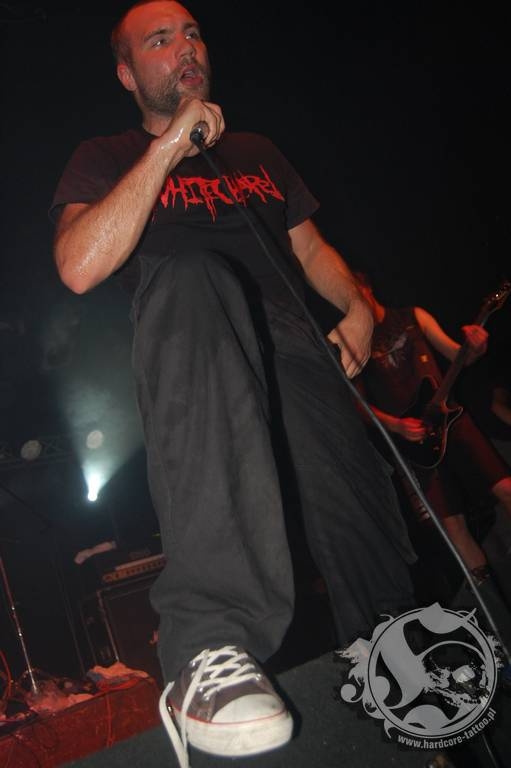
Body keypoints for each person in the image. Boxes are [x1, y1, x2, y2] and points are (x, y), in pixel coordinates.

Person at [49, 2, 417, 764]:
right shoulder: (105, 155)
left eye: (191, 33)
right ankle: (207, 646)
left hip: (294, 344)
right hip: (197, 339)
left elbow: (310, 250)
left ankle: (396, 665)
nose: (185, 47)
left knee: (355, 511)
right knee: (191, 274)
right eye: (159, 40)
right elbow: (80, 264)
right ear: (126, 74)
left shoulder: (255, 151)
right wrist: (168, 149)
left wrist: (357, 308)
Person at [352, 272, 511, 590]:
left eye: (354, 292)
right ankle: (493, 602)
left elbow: (458, 355)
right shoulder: (355, 343)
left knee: (507, 489)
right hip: (416, 445)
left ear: (366, 287)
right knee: (454, 528)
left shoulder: (412, 316)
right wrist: (396, 425)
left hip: (452, 420)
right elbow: (358, 405)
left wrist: (475, 347)